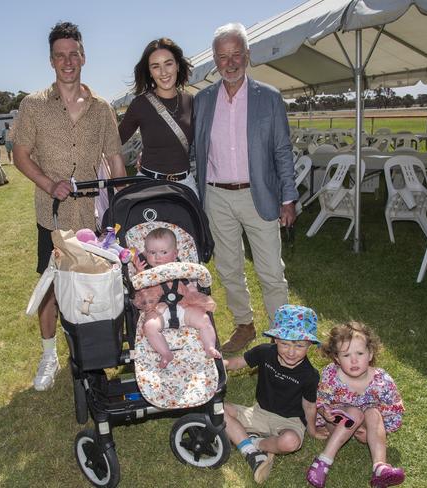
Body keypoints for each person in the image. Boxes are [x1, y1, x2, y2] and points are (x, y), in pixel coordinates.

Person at [13, 21, 126, 391]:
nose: (67, 61)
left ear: (83, 57)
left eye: (73, 54)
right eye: (60, 56)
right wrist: (49, 184)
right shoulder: (32, 105)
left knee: (94, 288)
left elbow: (115, 158)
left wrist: (122, 205)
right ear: (51, 61)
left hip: (93, 216)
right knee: (51, 288)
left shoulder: (102, 108)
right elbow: (20, 154)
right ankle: (49, 355)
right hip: (53, 215)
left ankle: (91, 355)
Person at [193, 23, 298, 354]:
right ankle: (244, 325)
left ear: (247, 56)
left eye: (236, 54)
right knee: (228, 268)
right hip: (217, 197)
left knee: (270, 271)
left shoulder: (268, 97)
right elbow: (195, 150)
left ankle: (283, 335)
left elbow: (283, 151)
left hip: (260, 195)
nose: (230, 62)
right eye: (223, 56)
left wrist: (288, 197)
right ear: (214, 60)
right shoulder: (203, 100)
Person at [223, 304, 322, 484]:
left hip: (289, 422)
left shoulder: (310, 375)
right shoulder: (264, 352)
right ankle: (251, 451)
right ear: (275, 339)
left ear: (310, 345)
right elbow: (238, 362)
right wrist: (222, 364)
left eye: (299, 345)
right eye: (285, 343)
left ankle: (254, 444)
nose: (291, 352)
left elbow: (309, 405)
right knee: (219, 410)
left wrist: (312, 430)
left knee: (290, 442)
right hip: (259, 412)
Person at [306, 322, 405, 488]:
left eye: (359, 353)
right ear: (337, 358)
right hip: (336, 423)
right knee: (354, 413)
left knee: (373, 413)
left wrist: (372, 433)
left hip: (366, 423)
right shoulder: (331, 375)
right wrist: (325, 412)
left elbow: (392, 411)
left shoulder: (382, 381)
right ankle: (322, 462)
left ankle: (380, 468)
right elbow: (321, 399)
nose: (354, 360)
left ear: (370, 353)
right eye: (346, 355)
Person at [118, 38, 198, 196]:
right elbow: (112, 144)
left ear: (177, 65)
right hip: (149, 186)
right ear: (149, 72)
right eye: (156, 66)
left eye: (168, 63)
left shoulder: (191, 101)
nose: (163, 72)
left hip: (185, 186)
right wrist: (119, 179)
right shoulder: (140, 104)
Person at [132, 228, 221, 368]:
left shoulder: (181, 269)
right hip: (159, 310)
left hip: (183, 307)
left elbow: (191, 288)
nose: (157, 257)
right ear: (146, 253)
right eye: (152, 252)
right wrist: (139, 273)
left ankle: (210, 347)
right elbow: (141, 292)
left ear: (175, 254)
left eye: (164, 252)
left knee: (204, 320)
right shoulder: (147, 272)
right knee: (149, 327)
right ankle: (166, 353)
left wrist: (193, 293)